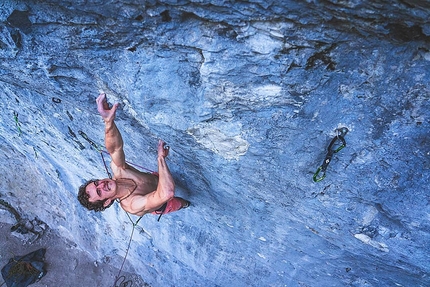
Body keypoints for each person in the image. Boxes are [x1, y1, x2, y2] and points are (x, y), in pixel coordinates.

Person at [78, 93, 190, 217]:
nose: (101, 185)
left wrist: (108, 122)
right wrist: (161, 159)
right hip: (163, 202)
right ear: (107, 202)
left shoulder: (119, 171)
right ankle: (185, 205)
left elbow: (114, 148)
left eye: (96, 183)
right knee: (180, 203)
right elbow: (166, 194)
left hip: (158, 178)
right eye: (99, 192)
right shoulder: (132, 204)